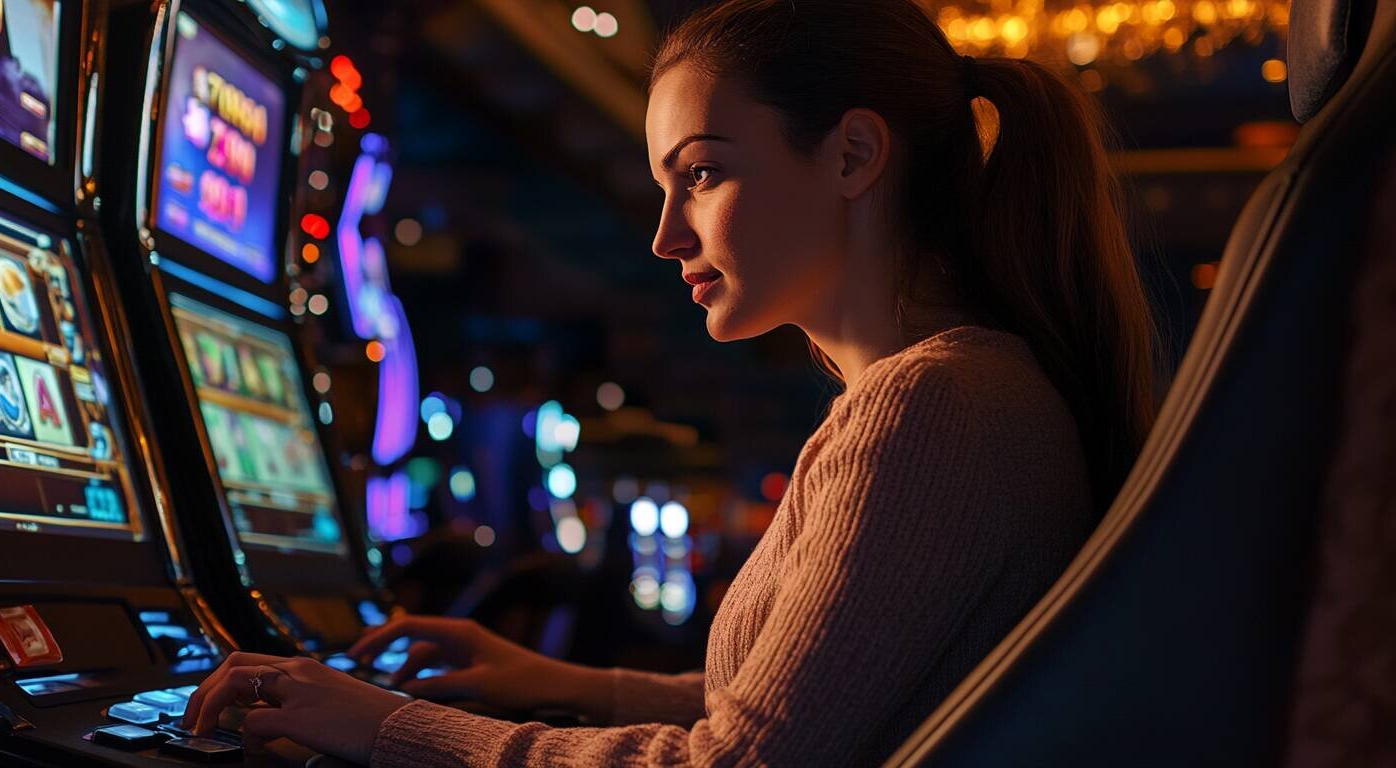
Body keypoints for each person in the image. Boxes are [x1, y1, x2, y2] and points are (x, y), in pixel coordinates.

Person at [180, 0, 1161, 764]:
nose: (664, 235)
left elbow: (738, 763)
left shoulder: (931, 407)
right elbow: (817, 704)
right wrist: (558, 682)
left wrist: (387, 729)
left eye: (700, 174)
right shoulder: (943, 392)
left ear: (855, 154)